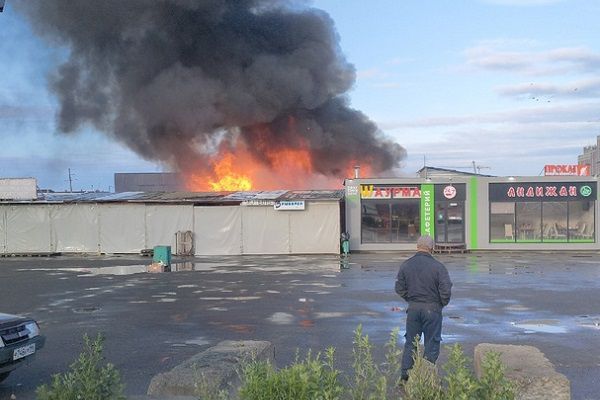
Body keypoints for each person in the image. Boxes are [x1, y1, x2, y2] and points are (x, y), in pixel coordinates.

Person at [394, 235, 452, 381]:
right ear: (432, 248)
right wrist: (440, 303)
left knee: (411, 343)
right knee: (432, 343)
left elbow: (399, 288)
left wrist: (411, 300)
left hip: (413, 309)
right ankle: (426, 378)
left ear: (417, 246)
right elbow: (446, 290)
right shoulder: (439, 267)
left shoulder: (406, 265)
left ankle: (405, 376)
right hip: (432, 309)